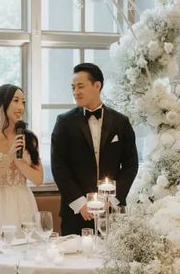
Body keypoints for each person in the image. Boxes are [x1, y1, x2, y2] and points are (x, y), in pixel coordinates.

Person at [51, 62, 138, 236]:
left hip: (112, 213)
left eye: (80, 86)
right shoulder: (64, 122)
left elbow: (130, 165)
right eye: (73, 87)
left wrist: (112, 200)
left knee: (112, 262)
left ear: (97, 85)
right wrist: (80, 203)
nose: (76, 92)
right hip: (76, 212)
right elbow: (59, 166)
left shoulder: (121, 122)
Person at [0, 84, 44, 244]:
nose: (21, 107)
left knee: (27, 252)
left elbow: (38, 180)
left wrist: (19, 162)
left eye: (23, 102)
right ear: (1, 105)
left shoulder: (30, 138)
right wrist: (8, 157)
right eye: (16, 101)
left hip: (24, 200)